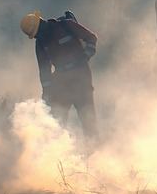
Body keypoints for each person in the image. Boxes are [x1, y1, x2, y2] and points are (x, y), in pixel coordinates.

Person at [21, 9, 99, 141]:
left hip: (81, 77)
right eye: (34, 35)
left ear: (41, 23)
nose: (37, 36)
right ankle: (59, 151)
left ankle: (95, 152)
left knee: (87, 117)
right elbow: (44, 69)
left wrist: (86, 55)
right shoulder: (40, 42)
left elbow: (91, 38)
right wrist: (47, 92)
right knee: (57, 120)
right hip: (62, 80)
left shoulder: (66, 25)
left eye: (37, 33)